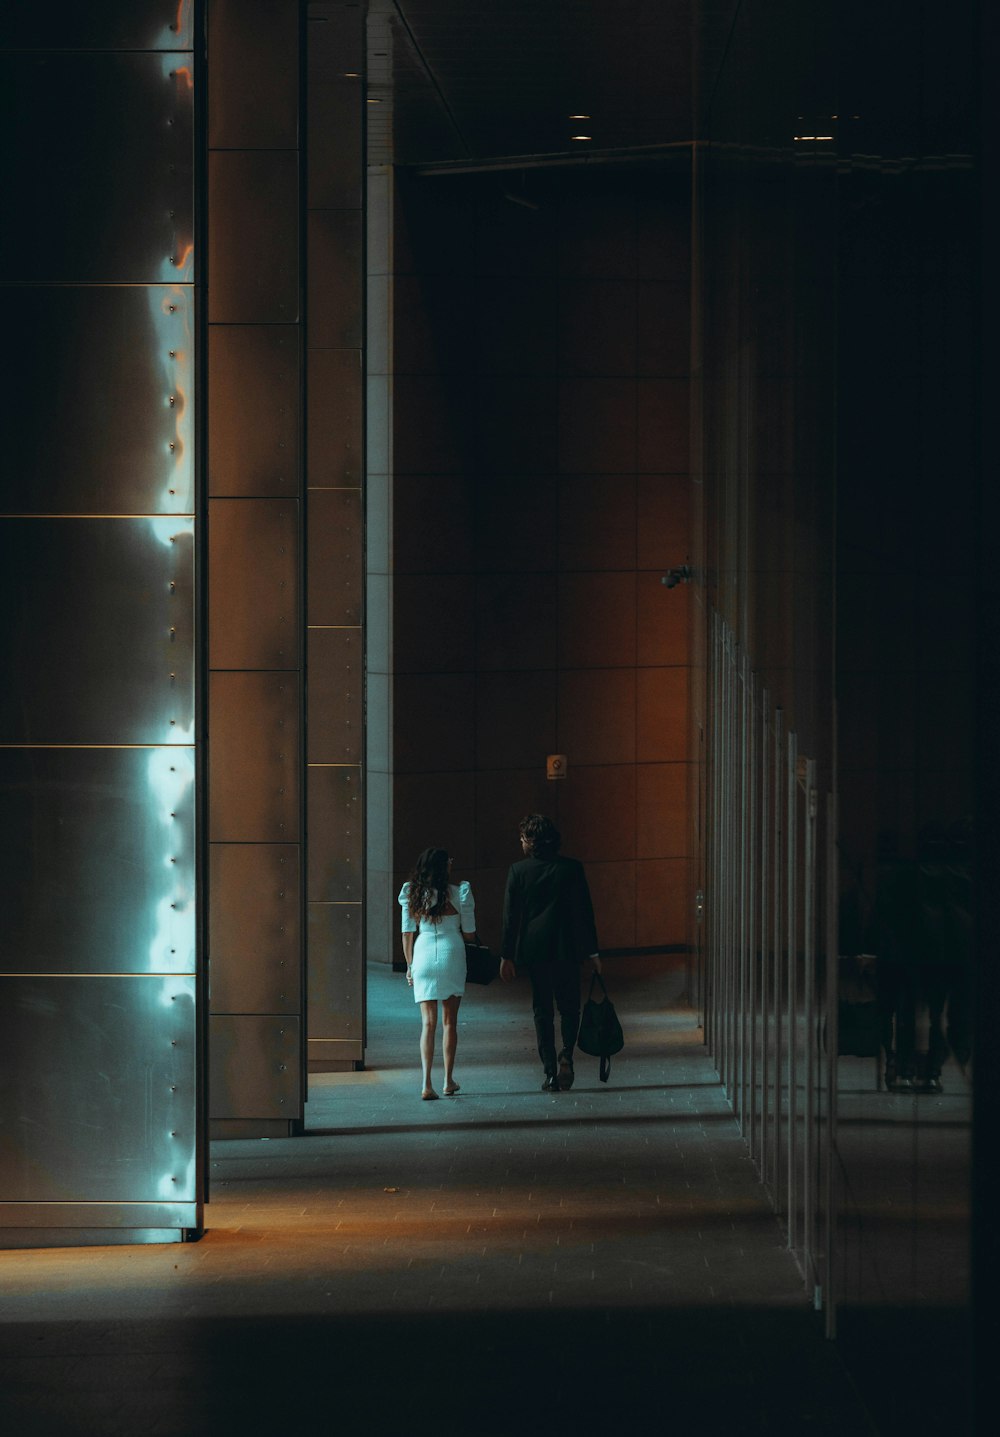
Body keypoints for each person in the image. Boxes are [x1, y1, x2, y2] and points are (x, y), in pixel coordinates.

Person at [499, 814, 601, 1092]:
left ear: (530, 842)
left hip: (535, 950)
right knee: (570, 1007)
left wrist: (506, 955)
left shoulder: (518, 871)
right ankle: (567, 1052)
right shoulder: (572, 868)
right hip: (567, 947)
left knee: (542, 1010)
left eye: (522, 839)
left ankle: (550, 1073)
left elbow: (511, 917)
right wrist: (592, 951)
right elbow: (584, 913)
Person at [399, 848, 477, 1100]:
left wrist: (410, 966)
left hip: (422, 955)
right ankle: (448, 1080)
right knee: (449, 1022)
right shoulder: (459, 893)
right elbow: (469, 933)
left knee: (428, 1023)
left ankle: (426, 1084)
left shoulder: (412, 895)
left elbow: (407, 933)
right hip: (451, 953)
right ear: (444, 867)